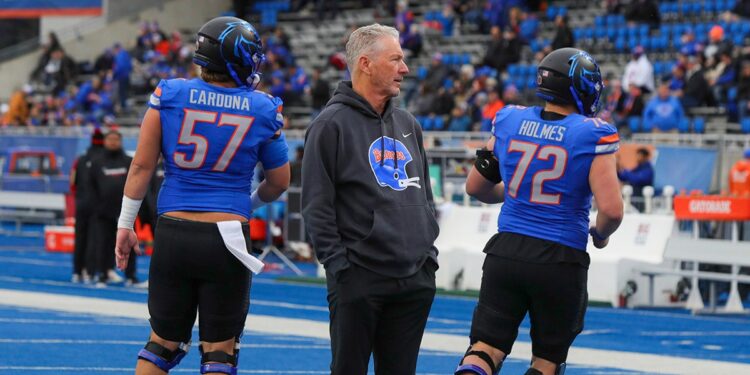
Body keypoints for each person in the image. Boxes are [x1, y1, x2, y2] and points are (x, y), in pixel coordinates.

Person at [114, 16, 290, 375]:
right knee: (219, 353)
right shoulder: (263, 108)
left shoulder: (170, 93)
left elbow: (141, 167)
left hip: (174, 231)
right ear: (239, 59)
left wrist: (126, 223)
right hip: (226, 236)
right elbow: (279, 183)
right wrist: (246, 205)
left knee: (160, 343)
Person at [454, 48, 624, 375]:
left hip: (506, 253)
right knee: (547, 361)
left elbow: (476, 187)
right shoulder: (593, 133)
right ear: (580, 87)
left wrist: (519, 194)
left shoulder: (509, 119)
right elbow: (612, 211)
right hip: (559, 259)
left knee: (484, 350)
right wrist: (600, 235)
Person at [302, 23, 439, 375]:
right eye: (395, 59)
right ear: (365, 63)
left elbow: (424, 193)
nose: (404, 69)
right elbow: (316, 206)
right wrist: (341, 269)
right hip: (359, 278)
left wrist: (428, 257)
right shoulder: (329, 125)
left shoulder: (409, 122)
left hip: (414, 278)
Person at [90, 130, 133, 286]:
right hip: (103, 211)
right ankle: (103, 273)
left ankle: (131, 275)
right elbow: (90, 186)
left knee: (129, 243)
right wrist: (95, 207)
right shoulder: (97, 162)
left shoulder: (129, 161)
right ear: (105, 141)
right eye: (110, 139)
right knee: (103, 243)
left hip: (126, 211)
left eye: (116, 139)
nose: (113, 142)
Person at [70, 128, 104, 283]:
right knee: (94, 239)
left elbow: (73, 182)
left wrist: (78, 197)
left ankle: (77, 271)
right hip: (98, 205)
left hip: (82, 202)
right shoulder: (104, 158)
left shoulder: (81, 158)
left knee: (80, 238)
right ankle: (90, 271)